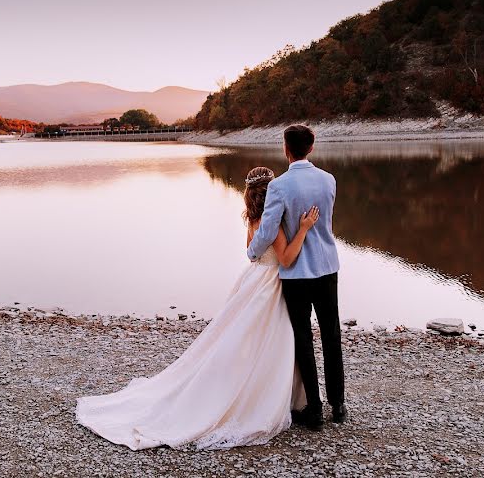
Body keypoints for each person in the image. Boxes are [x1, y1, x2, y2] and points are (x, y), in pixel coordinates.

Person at [76, 166, 319, 450]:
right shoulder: (274, 224)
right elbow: (287, 259)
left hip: (253, 279)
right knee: (271, 340)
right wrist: (303, 229)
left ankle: (248, 387)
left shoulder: (253, 220)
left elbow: (251, 254)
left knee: (244, 339)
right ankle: (262, 396)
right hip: (271, 284)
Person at [247, 124, 345, 430]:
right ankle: (338, 405)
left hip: (296, 273)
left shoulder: (280, 187)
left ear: (286, 149)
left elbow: (267, 231)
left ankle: (313, 410)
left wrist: (253, 253)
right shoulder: (328, 180)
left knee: (302, 337)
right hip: (327, 267)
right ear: (311, 148)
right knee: (331, 335)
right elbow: (326, 223)